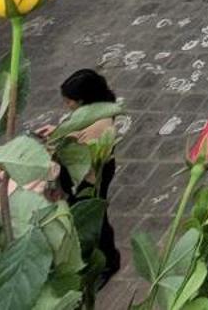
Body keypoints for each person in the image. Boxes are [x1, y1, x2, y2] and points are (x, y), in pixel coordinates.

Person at [53, 69, 121, 285]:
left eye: (69, 101)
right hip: (89, 171)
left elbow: (80, 150)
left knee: (94, 216)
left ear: (83, 99)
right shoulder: (96, 112)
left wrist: (55, 143)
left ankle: (108, 261)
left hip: (91, 175)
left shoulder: (100, 124)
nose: (67, 105)